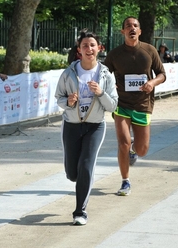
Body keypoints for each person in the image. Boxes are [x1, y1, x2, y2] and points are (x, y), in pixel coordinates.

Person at [55, 29, 118, 225]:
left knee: (86, 166)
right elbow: (59, 99)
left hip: (95, 127)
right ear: (79, 50)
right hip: (72, 126)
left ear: (99, 48)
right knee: (72, 173)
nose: (89, 49)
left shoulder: (106, 75)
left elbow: (113, 105)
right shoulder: (69, 73)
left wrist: (100, 93)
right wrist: (69, 102)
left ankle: (80, 212)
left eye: (92, 45)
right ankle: (79, 180)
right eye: (85, 46)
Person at [104, 16, 166, 196]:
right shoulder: (115, 54)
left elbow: (162, 74)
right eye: (128, 26)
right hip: (121, 104)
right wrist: (111, 84)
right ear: (122, 31)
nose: (132, 28)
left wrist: (152, 83)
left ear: (140, 31)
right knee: (122, 143)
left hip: (143, 104)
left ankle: (134, 149)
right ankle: (125, 182)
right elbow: (104, 74)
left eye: (135, 26)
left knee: (142, 150)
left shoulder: (149, 50)